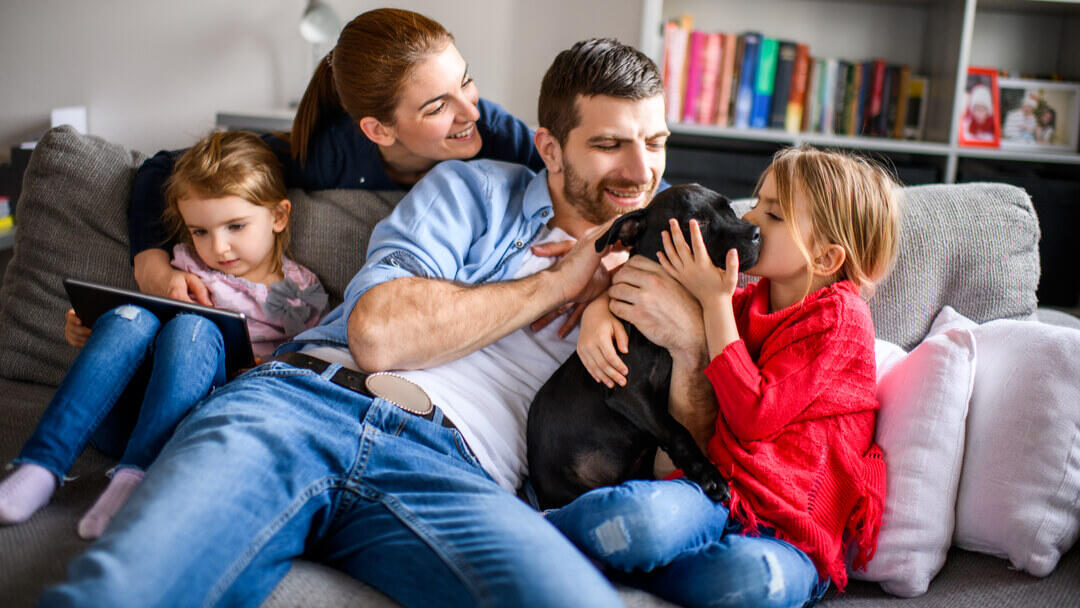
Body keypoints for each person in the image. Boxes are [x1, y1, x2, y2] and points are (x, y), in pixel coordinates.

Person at [41, 38, 669, 608]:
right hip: (304, 404)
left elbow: (701, 434)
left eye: (657, 143)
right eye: (611, 144)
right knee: (126, 590)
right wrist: (560, 283)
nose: (641, 173)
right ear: (551, 149)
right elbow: (379, 334)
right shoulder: (471, 190)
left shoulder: (671, 264)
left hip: (456, 472)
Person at [549, 146, 901, 607]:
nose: (751, 218)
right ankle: (540, 529)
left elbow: (755, 414)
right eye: (756, 201)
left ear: (826, 256)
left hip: (791, 536)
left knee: (753, 579)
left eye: (773, 215)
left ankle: (633, 567)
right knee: (636, 521)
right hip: (715, 495)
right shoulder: (744, 302)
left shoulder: (840, 320)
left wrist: (714, 304)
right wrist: (598, 305)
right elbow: (652, 293)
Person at [0, 131, 326, 540]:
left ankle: (135, 480)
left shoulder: (295, 293)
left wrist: (265, 369)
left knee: (195, 326)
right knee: (129, 316)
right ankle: (40, 466)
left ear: (278, 217)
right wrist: (87, 329)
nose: (219, 247)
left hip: (196, 421)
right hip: (120, 415)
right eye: (200, 231)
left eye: (235, 226)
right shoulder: (183, 264)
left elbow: (313, 368)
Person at [130, 8, 544, 305]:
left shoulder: (495, 132)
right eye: (437, 107)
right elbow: (163, 168)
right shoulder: (331, 155)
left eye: (466, 81)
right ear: (379, 130)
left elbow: (573, 180)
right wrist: (152, 266)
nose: (470, 111)